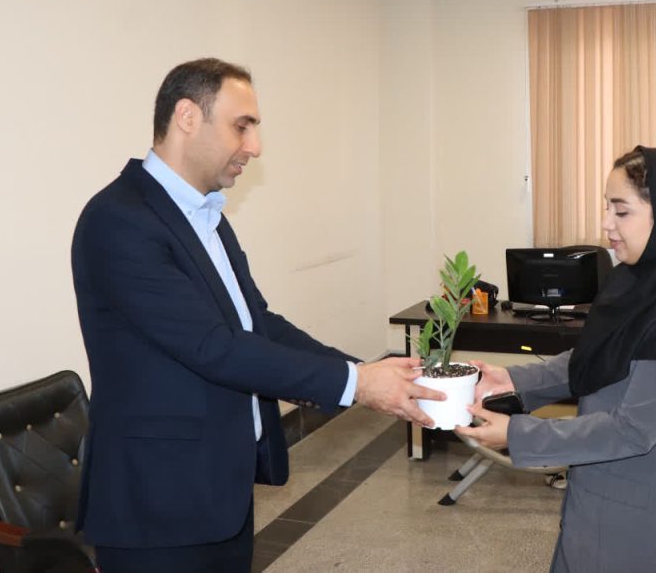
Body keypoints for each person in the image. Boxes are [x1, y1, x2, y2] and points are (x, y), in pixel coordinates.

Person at [71, 58, 444, 573]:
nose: (255, 146)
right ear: (187, 117)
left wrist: (365, 371)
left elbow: (256, 323)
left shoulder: (205, 217)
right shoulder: (120, 220)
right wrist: (358, 384)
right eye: (241, 126)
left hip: (220, 488)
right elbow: (213, 347)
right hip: (157, 503)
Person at [456, 146, 656, 573]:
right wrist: (514, 381)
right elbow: (598, 358)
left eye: (621, 211)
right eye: (607, 207)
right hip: (593, 508)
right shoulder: (637, 282)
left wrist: (518, 434)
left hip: (647, 534)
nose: (606, 223)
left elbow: (632, 430)